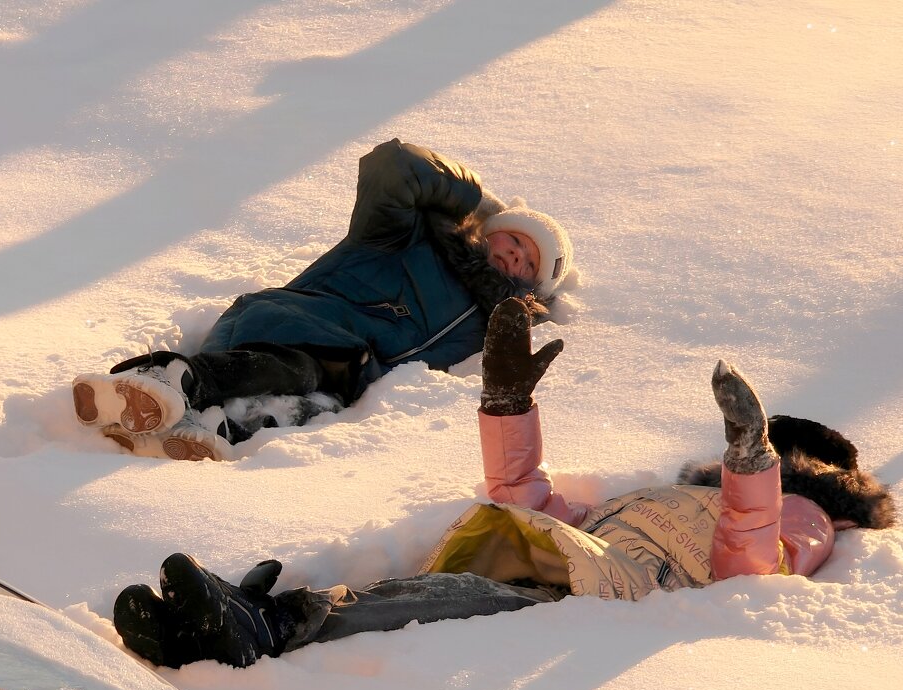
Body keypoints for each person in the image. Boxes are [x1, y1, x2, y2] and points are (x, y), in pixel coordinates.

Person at [112, 299, 896, 668]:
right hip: (559, 562)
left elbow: (747, 571)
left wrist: (754, 470)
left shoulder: (807, 516)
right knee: (432, 586)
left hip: (590, 608)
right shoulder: (661, 497)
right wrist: (509, 403)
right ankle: (217, 626)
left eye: (757, 446)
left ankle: (266, 627)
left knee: (438, 600)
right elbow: (529, 506)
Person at [72, 139, 574, 461]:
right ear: (492, 230)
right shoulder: (408, 236)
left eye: (528, 263)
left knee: (310, 409)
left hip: (341, 375)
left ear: (532, 286)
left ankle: (177, 425)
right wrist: (473, 198)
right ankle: (172, 378)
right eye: (513, 240)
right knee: (310, 371)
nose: (513, 258)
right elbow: (392, 165)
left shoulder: (496, 323)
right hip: (295, 325)